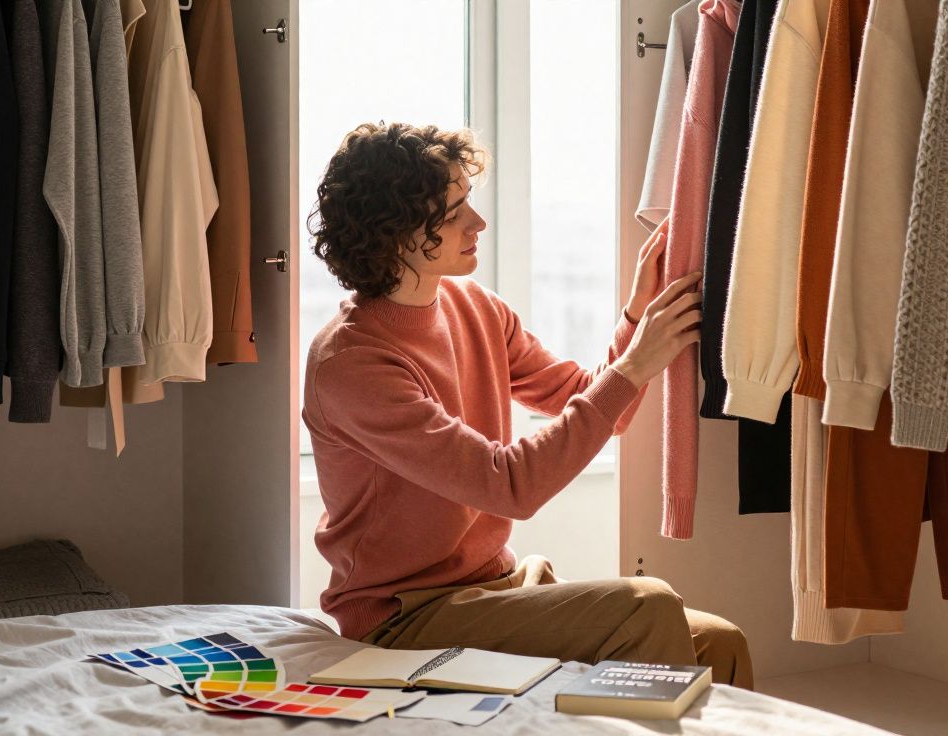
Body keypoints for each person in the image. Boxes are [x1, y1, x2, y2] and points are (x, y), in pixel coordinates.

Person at [302, 122, 753, 688]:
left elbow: (594, 402)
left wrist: (635, 316)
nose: (478, 223)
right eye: (453, 212)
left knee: (721, 643)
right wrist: (637, 363)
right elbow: (510, 485)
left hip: (499, 587)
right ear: (394, 235)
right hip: (405, 617)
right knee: (647, 603)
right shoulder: (350, 363)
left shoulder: (477, 308)